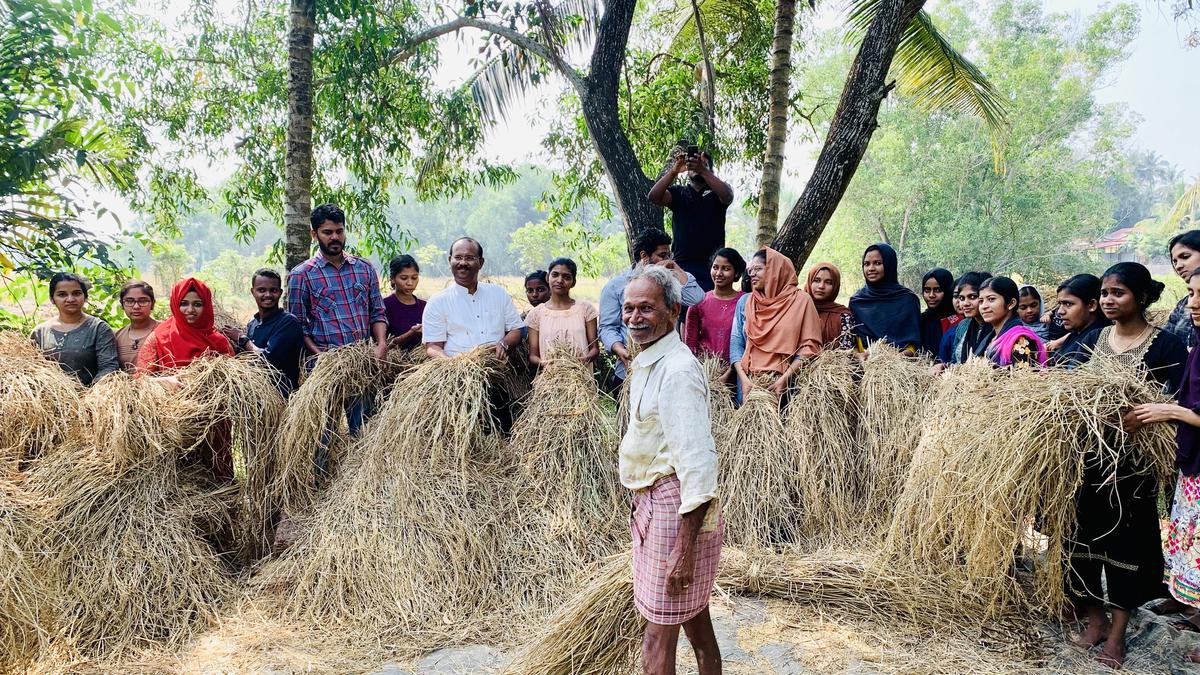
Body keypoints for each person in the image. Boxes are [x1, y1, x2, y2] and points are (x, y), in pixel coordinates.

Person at [1063, 262, 1187, 669]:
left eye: (1118, 293)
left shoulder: (1166, 346)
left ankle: (1117, 633)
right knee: (1079, 542)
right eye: (1104, 293)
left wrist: (1150, 414)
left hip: (1135, 466)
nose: (1107, 300)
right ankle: (1095, 620)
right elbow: (1069, 388)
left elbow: (1179, 404)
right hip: (1089, 459)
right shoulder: (1094, 338)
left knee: (1125, 546)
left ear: (1141, 297)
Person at [618, 264, 723, 675]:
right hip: (654, 506)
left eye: (646, 308)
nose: (634, 318)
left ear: (673, 312)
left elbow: (698, 465)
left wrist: (684, 548)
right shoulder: (651, 360)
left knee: (656, 636)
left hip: (675, 511)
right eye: (628, 309)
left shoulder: (678, 372)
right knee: (695, 619)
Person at [1131, 270, 1200, 662]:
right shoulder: (1197, 347)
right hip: (1193, 462)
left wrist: (1174, 410)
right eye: (1190, 293)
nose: (1192, 302)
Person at [286, 203, 389, 442]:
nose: (335, 237)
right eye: (327, 232)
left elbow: (378, 313)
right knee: (323, 436)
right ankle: (322, 478)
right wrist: (321, 356)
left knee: (364, 433)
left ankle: (361, 478)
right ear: (314, 234)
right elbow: (298, 327)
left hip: (362, 363)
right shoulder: (302, 275)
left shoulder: (364, 269)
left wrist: (381, 344)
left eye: (339, 231)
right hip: (323, 369)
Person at [135, 277, 236, 480]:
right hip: (172, 422)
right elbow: (139, 380)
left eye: (197, 304)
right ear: (175, 303)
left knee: (215, 477)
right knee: (179, 478)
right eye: (184, 303)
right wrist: (166, 382)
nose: (190, 310)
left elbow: (233, 381)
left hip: (213, 422)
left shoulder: (218, 341)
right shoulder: (160, 337)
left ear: (206, 306)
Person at [599, 229, 706, 385]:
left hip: (666, 368)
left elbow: (697, 299)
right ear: (644, 256)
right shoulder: (614, 287)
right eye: (662, 255)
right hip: (628, 370)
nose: (667, 260)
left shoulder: (672, 281)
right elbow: (607, 328)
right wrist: (619, 349)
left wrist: (674, 267)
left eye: (669, 255)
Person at [729, 248, 823, 402]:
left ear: (776, 270)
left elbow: (810, 346)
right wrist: (744, 380)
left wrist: (785, 379)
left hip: (786, 384)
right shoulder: (745, 302)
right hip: (748, 384)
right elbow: (736, 343)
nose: (752, 273)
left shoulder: (801, 301)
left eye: (758, 269)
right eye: (751, 269)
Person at [647, 146, 734, 292]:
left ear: (710, 170)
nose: (697, 167)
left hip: (712, 266)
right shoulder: (679, 193)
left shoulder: (717, 193)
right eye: (693, 164)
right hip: (683, 265)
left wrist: (703, 171)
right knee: (682, 311)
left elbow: (728, 196)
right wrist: (674, 171)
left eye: (703, 164)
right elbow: (653, 197)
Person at [423, 237, 524, 360]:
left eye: (470, 258)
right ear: (450, 260)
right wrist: (451, 363)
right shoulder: (437, 302)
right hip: (458, 370)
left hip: (498, 367)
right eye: (458, 257)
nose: (463, 263)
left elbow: (516, 330)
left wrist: (503, 344)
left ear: (481, 263)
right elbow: (433, 346)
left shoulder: (499, 293)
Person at [30, 272, 118, 386]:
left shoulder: (98, 328)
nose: (70, 299)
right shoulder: (40, 332)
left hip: (90, 399)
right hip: (48, 400)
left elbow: (109, 367)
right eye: (62, 294)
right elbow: (30, 369)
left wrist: (91, 396)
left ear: (85, 297)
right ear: (52, 299)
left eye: (76, 293)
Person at [237, 269, 305, 396]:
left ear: (280, 293)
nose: (268, 295)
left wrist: (243, 339)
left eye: (273, 290)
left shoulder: (288, 322)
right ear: (253, 292)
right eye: (261, 290)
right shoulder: (253, 324)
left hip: (281, 398)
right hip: (254, 395)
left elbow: (268, 361)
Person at [526, 257, 599, 369]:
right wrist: (545, 364)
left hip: (580, 378)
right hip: (550, 378)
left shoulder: (585, 309)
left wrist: (585, 359)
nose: (559, 280)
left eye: (566, 277)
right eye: (555, 275)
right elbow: (533, 356)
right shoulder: (536, 314)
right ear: (547, 277)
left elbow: (594, 348)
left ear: (573, 282)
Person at [849, 243, 921, 353]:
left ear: (889, 265)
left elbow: (914, 342)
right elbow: (854, 340)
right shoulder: (857, 301)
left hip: (902, 363)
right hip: (865, 363)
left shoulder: (907, 299)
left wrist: (902, 357)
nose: (871, 268)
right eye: (866, 264)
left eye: (877, 263)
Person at [683, 248, 746, 362]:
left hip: (737, 369)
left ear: (736, 273)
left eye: (726, 269)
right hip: (706, 369)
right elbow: (690, 344)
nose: (718, 273)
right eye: (715, 267)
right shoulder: (699, 301)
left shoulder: (745, 302)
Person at [973, 276, 1046, 366]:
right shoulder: (992, 337)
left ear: (1011, 303)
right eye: (981, 301)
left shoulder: (1021, 340)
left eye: (991, 299)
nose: (984, 306)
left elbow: (1023, 378)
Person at [1045, 274, 1107, 366]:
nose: (1060, 311)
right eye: (1060, 304)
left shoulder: (1098, 339)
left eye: (1068, 304)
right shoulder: (1076, 333)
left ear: (1091, 305)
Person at [1163, 230, 1200, 350]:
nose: (1178, 266)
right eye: (1175, 261)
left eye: (1185, 257)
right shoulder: (1183, 304)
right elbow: (1166, 338)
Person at [945, 272, 993, 365]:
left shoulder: (997, 326)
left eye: (972, 297)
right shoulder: (963, 325)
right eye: (962, 298)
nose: (965, 303)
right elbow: (955, 361)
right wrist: (944, 366)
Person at [805, 262, 855, 350]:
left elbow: (847, 351)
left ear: (835, 286)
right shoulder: (799, 310)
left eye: (828, 282)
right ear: (809, 282)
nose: (821, 286)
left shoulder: (843, 315)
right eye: (816, 280)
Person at [113, 280, 159, 373]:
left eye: (143, 301)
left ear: (152, 304)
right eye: (129, 301)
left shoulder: (164, 331)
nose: (136, 306)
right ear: (122, 304)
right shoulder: (116, 336)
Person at [384, 254, 426, 350]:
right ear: (392, 279)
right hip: (395, 363)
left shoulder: (425, 307)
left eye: (414, 278)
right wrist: (411, 333)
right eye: (404, 278)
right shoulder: (384, 307)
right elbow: (381, 346)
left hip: (424, 363)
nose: (410, 283)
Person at [919, 268, 960, 357]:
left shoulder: (958, 320)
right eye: (927, 290)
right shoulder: (921, 320)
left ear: (948, 291)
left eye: (937, 290)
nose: (931, 295)